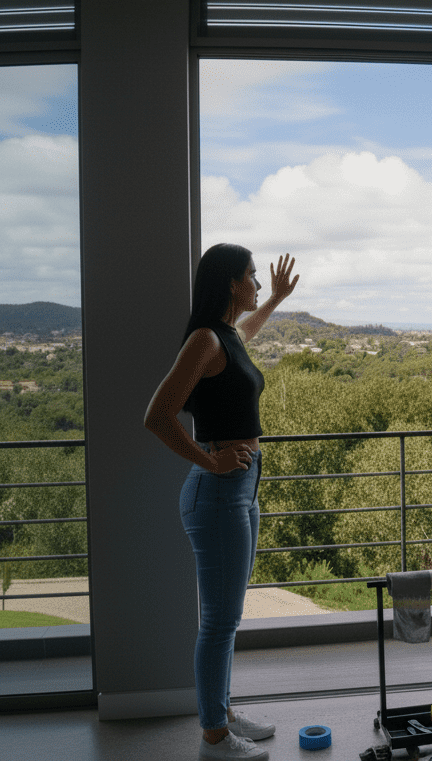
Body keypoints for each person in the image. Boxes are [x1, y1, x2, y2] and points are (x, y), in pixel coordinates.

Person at [144, 243, 299, 761]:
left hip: (241, 490)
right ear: (232, 283)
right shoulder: (204, 339)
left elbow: (246, 333)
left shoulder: (226, 336)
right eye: (253, 277)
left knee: (227, 619)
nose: (258, 283)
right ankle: (214, 736)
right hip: (217, 494)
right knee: (218, 622)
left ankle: (224, 712)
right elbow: (157, 415)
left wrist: (275, 301)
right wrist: (210, 462)